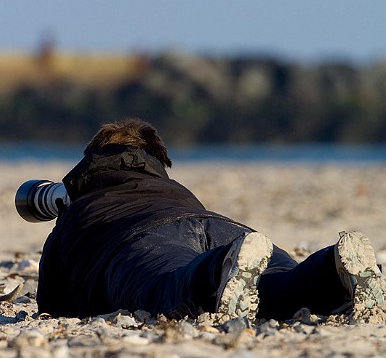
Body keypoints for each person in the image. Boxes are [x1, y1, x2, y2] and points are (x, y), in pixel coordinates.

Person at [36, 118, 386, 323]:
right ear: (156, 161)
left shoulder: (80, 210)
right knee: (280, 284)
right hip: (222, 226)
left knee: (168, 288)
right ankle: (332, 268)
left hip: (139, 240)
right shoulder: (172, 187)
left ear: (91, 164)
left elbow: (52, 305)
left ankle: (218, 269)